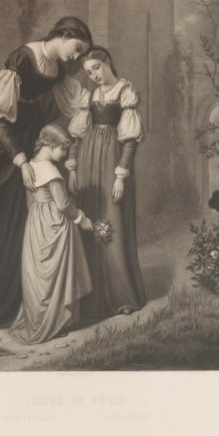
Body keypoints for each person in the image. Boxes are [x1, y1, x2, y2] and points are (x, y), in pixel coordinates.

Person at [0, 17, 92, 327]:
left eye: (83, 54)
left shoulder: (57, 73)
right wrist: (20, 159)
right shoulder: (23, 59)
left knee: (15, 225)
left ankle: (14, 299)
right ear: (64, 35)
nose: (78, 58)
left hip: (22, 151)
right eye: (77, 49)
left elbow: (74, 105)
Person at [67, 46, 146, 319]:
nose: (94, 75)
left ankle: (121, 295)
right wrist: (73, 168)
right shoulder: (90, 96)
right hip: (89, 162)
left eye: (96, 68)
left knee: (113, 223)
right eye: (89, 72)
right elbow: (77, 136)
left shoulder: (125, 91)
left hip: (112, 163)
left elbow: (130, 141)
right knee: (91, 220)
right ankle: (92, 297)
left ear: (107, 62)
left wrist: (121, 175)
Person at [8, 124, 97, 346]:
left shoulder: (30, 166)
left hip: (36, 224)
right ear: (50, 145)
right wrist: (81, 219)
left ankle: (39, 320)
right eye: (63, 149)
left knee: (39, 274)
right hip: (54, 223)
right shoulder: (51, 171)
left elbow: (31, 200)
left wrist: (36, 221)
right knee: (55, 274)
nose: (65, 154)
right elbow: (63, 204)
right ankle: (55, 322)